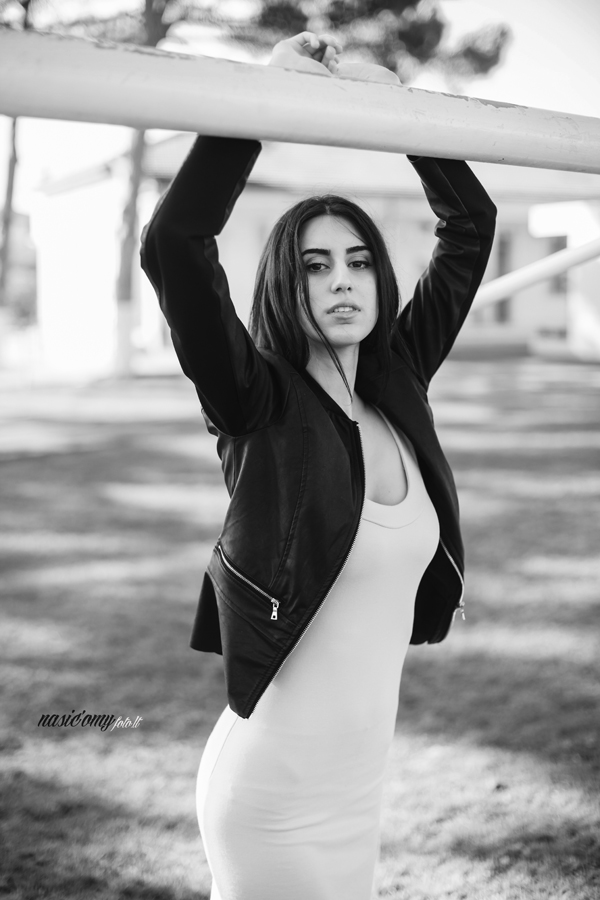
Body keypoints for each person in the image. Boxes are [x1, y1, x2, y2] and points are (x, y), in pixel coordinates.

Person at [140, 31, 497, 900]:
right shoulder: (253, 401)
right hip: (271, 797)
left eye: (359, 261)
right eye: (315, 266)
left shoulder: (400, 378)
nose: (342, 281)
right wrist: (264, 102)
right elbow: (175, 241)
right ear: (285, 285)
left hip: (360, 788)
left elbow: (470, 226)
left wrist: (398, 106)